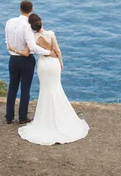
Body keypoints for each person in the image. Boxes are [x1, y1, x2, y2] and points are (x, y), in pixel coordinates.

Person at [9, 13, 89, 145]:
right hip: (53, 64)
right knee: (56, 88)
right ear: (41, 22)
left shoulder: (33, 38)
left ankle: (44, 120)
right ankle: (61, 119)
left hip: (43, 66)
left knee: (45, 90)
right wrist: (61, 62)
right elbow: (57, 50)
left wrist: (13, 49)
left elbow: (27, 52)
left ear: (31, 26)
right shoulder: (51, 34)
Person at [5, 0, 56, 125]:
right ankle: (22, 117)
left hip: (13, 59)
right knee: (25, 89)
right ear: (31, 10)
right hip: (26, 61)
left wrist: (14, 50)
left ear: (20, 9)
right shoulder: (28, 26)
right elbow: (32, 47)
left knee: (12, 88)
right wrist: (48, 53)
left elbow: (7, 42)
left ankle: (9, 117)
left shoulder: (9, 22)